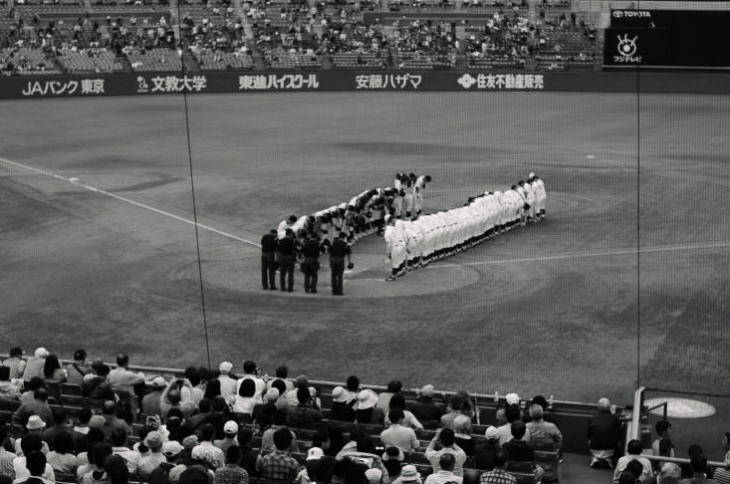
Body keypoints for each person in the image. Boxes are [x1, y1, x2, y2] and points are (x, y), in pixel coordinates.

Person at [589, 397, 622, 467]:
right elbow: (619, 426)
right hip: (610, 450)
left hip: (594, 448)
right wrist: (613, 413)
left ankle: (594, 458)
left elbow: (588, 435)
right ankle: (609, 459)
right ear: (609, 407)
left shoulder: (592, 418)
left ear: (598, 407)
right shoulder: (614, 419)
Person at [276, 228, 296, 292]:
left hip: (282, 257)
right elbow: (294, 250)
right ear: (290, 234)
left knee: (282, 273)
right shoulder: (291, 241)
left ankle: (282, 287)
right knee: (290, 273)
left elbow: (278, 250)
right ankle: (290, 288)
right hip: (289, 257)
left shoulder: (281, 240)